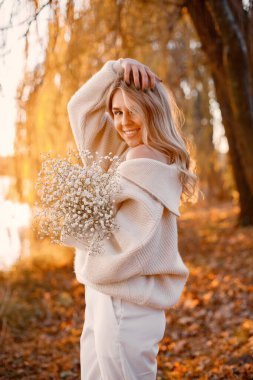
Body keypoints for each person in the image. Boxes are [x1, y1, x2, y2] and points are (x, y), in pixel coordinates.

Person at [62, 58, 198, 380]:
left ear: (153, 110)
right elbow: (79, 109)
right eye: (117, 112)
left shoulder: (142, 161)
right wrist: (117, 69)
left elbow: (117, 245)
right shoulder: (131, 154)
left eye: (132, 110)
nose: (123, 123)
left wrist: (76, 216)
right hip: (107, 295)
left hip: (124, 303)